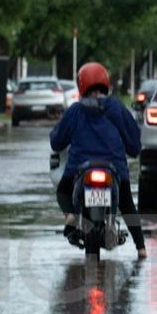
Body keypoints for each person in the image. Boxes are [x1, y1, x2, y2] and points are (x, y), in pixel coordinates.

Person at [49, 62, 147, 260]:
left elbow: (56, 141)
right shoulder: (117, 107)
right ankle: (141, 249)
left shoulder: (76, 111)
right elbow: (134, 144)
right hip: (114, 170)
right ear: (106, 84)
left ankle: (70, 215)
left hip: (80, 169)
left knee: (62, 190)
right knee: (127, 204)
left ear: (82, 85)